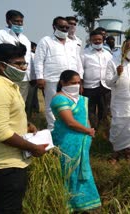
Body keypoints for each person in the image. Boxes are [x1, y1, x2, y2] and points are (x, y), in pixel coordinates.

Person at [0, 43, 48, 213]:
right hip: (5, 164)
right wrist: (33, 148)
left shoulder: (9, 86)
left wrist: (26, 125)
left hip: (14, 160)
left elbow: (7, 117)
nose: (23, 68)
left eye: (24, 64)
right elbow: (1, 132)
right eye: (18, 64)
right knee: (8, 209)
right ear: (2, 65)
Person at [51, 70, 101, 212]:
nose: (76, 85)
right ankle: (69, 205)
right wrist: (88, 131)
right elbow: (70, 122)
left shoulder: (81, 99)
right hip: (67, 142)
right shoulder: (59, 99)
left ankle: (86, 203)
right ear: (63, 83)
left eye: (78, 82)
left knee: (82, 172)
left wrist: (89, 133)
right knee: (69, 173)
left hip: (82, 142)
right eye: (73, 83)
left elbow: (86, 119)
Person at [35, 16, 83, 129]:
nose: (65, 29)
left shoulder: (73, 43)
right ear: (54, 27)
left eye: (67, 27)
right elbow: (38, 60)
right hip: (53, 80)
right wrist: (40, 77)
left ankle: (69, 128)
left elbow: (78, 61)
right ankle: (53, 129)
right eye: (62, 27)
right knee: (52, 105)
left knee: (71, 104)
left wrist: (79, 79)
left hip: (71, 82)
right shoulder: (46, 41)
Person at [0, 10, 32, 101]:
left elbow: (28, 58)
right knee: (6, 101)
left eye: (21, 21)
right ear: (8, 21)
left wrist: (31, 76)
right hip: (8, 75)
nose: (19, 24)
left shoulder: (25, 38)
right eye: (16, 21)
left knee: (20, 103)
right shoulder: (0, 35)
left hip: (23, 77)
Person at [81, 30, 113, 129]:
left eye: (99, 39)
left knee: (104, 110)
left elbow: (111, 69)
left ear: (103, 40)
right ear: (90, 40)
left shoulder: (108, 54)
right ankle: (92, 130)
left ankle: (102, 130)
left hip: (105, 86)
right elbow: (79, 70)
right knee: (90, 110)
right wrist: (80, 85)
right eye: (94, 40)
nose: (97, 41)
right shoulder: (84, 54)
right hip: (89, 87)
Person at [25, 42, 40, 119]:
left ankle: (29, 116)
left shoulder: (33, 55)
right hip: (30, 80)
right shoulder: (31, 55)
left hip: (32, 80)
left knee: (30, 100)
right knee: (30, 100)